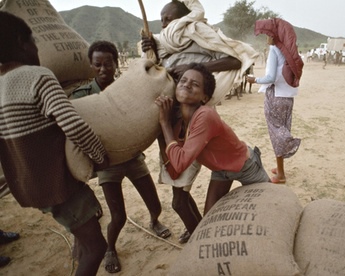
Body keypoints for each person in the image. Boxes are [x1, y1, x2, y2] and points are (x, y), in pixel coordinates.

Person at [0, 11, 108, 276]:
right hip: (57, 183)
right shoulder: (38, 76)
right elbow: (73, 125)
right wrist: (100, 156)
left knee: (83, 234)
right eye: (34, 40)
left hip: (28, 186)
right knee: (97, 248)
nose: (37, 47)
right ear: (21, 42)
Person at [142, 0, 257, 243]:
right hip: (172, 130)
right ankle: (197, 231)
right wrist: (151, 50)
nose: (164, 25)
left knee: (179, 199)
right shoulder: (166, 45)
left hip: (186, 130)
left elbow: (235, 60)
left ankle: (198, 236)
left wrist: (190, 69)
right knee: (180, 199)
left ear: (184, 19)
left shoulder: (200, 35)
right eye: (161, 20)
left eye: (168, 19)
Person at [70, 40, 170, 273]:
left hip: (134, 158)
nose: (103, 69)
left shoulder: (131, 90)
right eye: (97, 65)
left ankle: (154, 221)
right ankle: (110, 249)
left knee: (155, 205)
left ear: (117, 64)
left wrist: (152, 46)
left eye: (108, 64)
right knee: (118, 216)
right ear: (91, 65)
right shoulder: (82, 97)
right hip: (107, 164)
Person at [155, 63, 271, 218]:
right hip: (220, 172)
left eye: (195, 84)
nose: (187, 85)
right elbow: (175, 164)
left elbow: (180, 162)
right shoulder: (180, 122)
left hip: (246, 166)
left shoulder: (205, 115)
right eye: (183, 81)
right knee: (209, 218)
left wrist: (164, 123)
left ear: (205, 97)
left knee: (271, 206)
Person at [246, 18, 303, 184]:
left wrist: (254, 80)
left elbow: (270, 77)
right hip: (287, 97)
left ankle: (281, 174)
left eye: (267, 34)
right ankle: (280, 168)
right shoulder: (289, 51)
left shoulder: (274, 50)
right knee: (282, 127)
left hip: (275, 96)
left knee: (276, 133)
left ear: (273, 35)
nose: (266, 38)